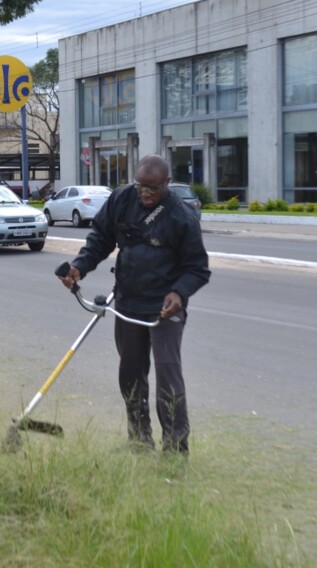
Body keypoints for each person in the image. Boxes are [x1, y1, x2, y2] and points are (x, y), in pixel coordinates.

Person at [58, 154, 210, 453]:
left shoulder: (181, 217)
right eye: (140, 186)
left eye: (152, 189)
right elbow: (101, 237)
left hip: (164, 310)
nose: (145, 194)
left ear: (167, 183)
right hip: (127, 303)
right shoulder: (122, 199)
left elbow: (198, 268)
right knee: (130, 374)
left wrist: (179, 293)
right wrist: (80, 266)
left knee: (168, 379)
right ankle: (139, 440)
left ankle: (175, 450)